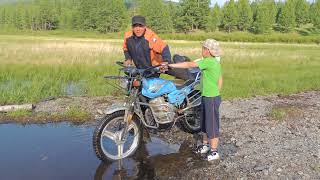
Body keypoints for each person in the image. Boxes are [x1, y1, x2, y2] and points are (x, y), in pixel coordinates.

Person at [162, 39, 223, 161]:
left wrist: (170, 65)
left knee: (212, 125)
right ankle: (205, 146)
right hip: (207, 96)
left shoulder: (209, 62)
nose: (202, 50)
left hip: (211, 98)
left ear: (208, 51)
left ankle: (214, 152)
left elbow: (189, 65)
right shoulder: (212, 62)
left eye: (204, 48)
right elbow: (220, 79)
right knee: (205, 123)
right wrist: (217, 91)